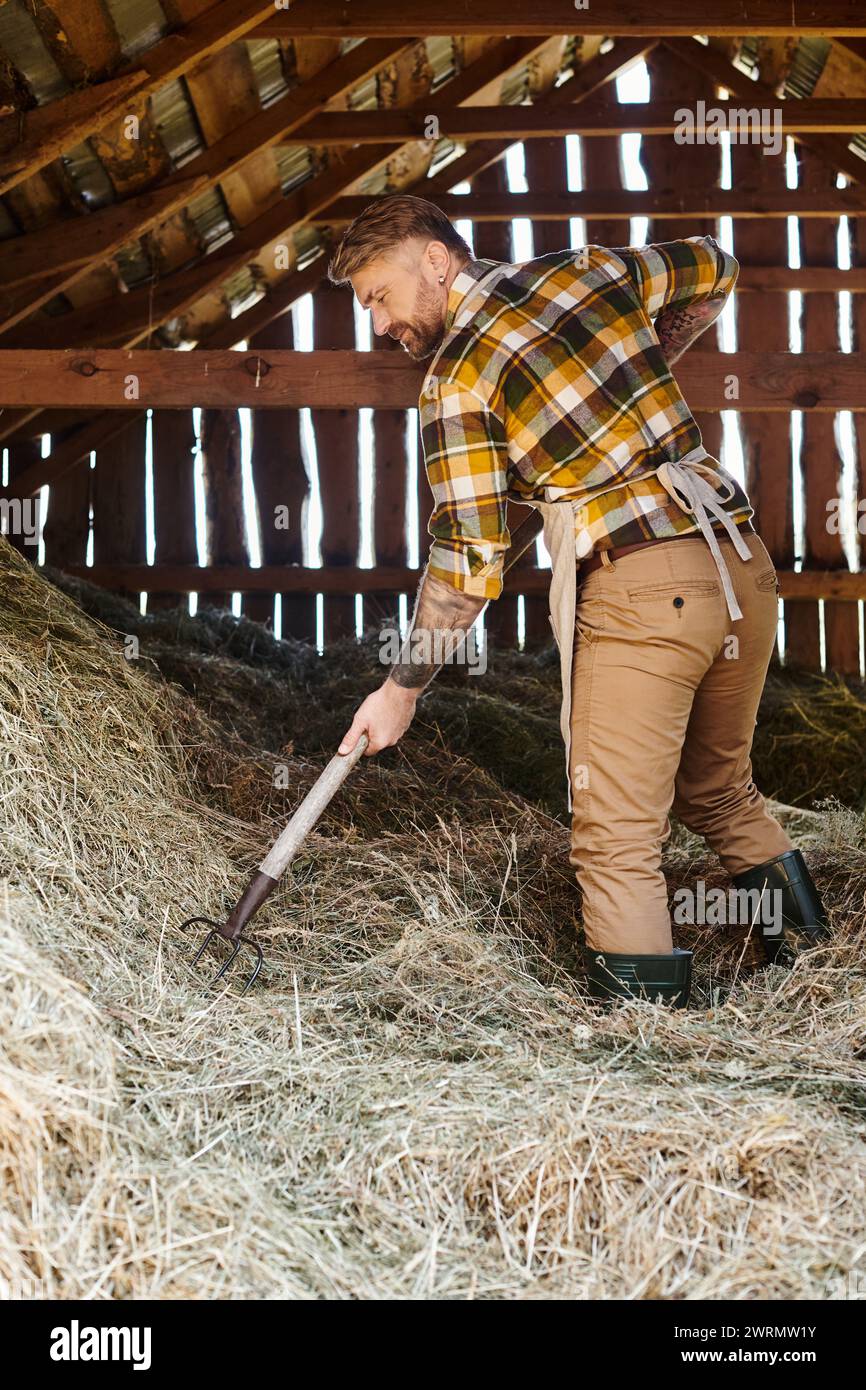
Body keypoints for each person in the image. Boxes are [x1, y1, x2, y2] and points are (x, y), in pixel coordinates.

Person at [329, 192, 830, 1009]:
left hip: (643, 587)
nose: (379, 324)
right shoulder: (588, 274)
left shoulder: (455, 380)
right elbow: (718, 264)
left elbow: (467, 562)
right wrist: (647, 356)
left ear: (434, 258)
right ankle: (821, 980)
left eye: (378, 295)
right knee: (719, 792)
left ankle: (649, 1059)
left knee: (616, 840)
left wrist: (400, 690)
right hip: (739, 563)